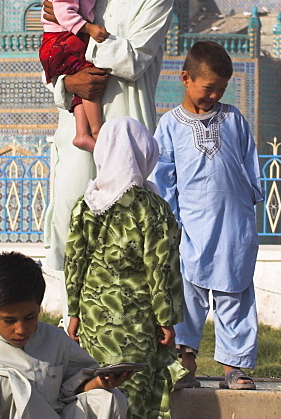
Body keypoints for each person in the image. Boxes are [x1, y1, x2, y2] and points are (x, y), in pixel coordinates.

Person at [42, 0, 174, 271]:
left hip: (126, 128)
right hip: (76, 125)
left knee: (124, 234)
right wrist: (70, 79)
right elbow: (50, 60)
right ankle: (74, 325)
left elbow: (132, 61)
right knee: (71, 222)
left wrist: (82, 38)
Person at [152, 41, 262, 391]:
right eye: (208, 87)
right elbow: (162, 177)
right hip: (192, 228)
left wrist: (249, 206)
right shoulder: (169, 124)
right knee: (188, 296)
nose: (214, 95)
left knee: (236, 294)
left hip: (234, 225)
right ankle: (186, 364)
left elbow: (250, 166)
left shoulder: (233, 119)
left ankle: (235, 367)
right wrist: (172, 223)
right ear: (186, 78)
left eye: (221, 89)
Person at [65, 117, 185, 419]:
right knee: (133, 397)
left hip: (94, 320)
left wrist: (74, 312)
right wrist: (166, 319)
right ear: (145, 153)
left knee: (98, 395)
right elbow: (161, 269)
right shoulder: (153, 207)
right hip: (138, 322)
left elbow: (74, 262)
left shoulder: (86, 203)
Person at [0, 251, 129, 419]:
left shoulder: (55, 339)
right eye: (9, 320)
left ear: (39, 308)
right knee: (1, 384)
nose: (21, 329)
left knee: (109, 399)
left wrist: (99, 383)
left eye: (30, 317)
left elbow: (69, 389)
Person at [40, 0, 110, 152]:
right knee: (89, 79)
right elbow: (64, 14)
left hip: (56, 43)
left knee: (80, 87)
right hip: (62, 41)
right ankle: (97, 130)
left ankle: (82, 133)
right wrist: (89, 29)